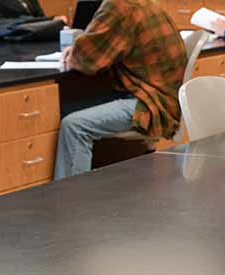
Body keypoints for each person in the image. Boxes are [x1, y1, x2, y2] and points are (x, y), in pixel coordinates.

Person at [52, 0, 184, 180]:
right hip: (161, 97)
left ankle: (70, 203)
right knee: (64, 108)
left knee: (74, 126)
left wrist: (73, 51)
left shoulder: (119, 6)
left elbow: (86, 59)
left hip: (150, 104)